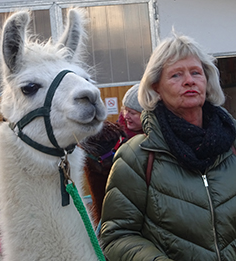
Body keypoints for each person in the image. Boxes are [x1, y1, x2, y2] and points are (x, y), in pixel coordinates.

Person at [100, 32, 236, 260]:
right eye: (176, 75)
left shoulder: (232, 144)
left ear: (207, 81)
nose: (189, 80)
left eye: (196, 73)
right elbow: (117, 236)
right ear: (156, 88)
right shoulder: (137, 156)